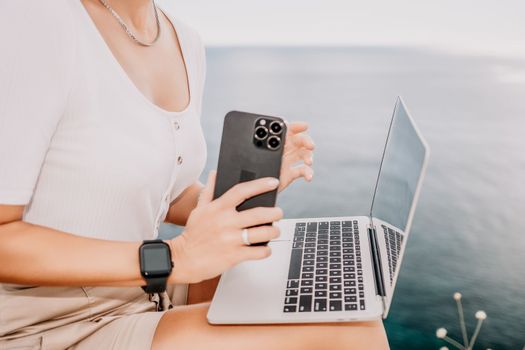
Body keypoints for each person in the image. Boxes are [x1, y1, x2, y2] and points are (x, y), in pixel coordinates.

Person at [0, 0, 389, 349]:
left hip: (143, 290)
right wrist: (175, 257)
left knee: (315, 288)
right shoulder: (35, 19)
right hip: (49, 324)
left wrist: (248, 191)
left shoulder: (184, 40)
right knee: (354, 331)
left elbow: (163, 194)